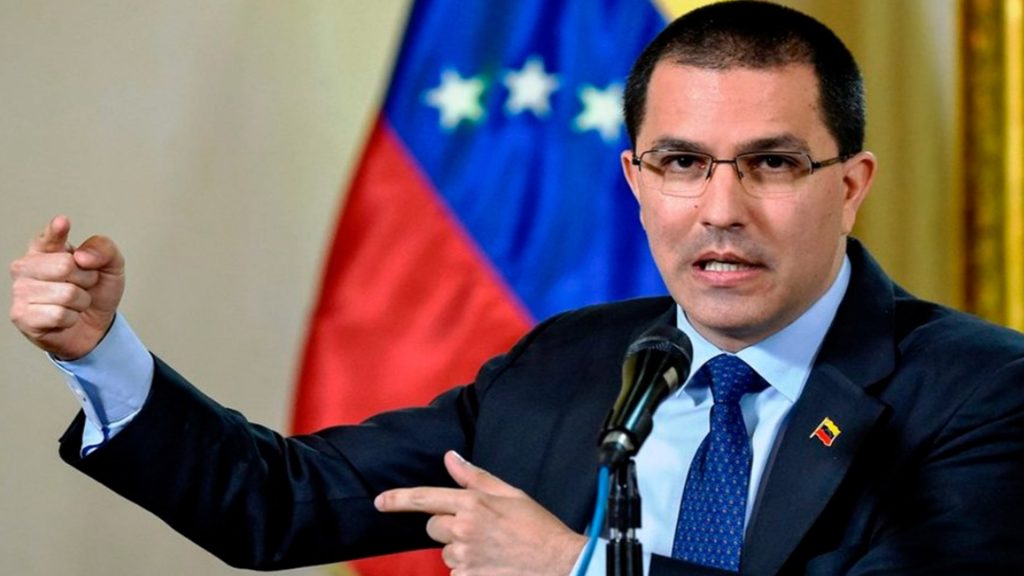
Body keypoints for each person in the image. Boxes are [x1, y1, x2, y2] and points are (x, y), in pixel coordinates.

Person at [10, 1, 1024, 574]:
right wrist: (102, 353)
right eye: (680, 162)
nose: (721, 208)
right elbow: (279, 502)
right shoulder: (567, 364)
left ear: (849, 185)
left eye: (770, 163)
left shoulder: (981, 390)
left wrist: (575, 570)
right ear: (635, 182)